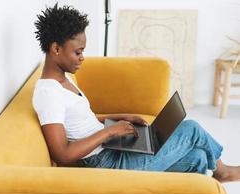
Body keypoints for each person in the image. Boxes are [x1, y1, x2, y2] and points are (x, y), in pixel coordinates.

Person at [32, 4, 240, 183]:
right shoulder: (48, 93)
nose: (82, 58)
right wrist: (110, 132)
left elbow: (78, 122)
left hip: (111, 150)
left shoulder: (63, 80)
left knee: (199, 158)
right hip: (106, 165)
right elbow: (63, 154)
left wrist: (119, 118)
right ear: (56, 49)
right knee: (191, 129)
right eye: (78, 52)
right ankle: (222, 172)